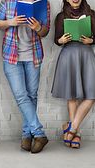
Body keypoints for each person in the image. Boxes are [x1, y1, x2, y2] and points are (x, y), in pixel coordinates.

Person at [0, 0, 50, 153]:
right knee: (21, 96)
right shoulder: (7, 2)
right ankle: (39, 133)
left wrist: (38, 27)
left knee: (31, 96)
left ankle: (27, 135)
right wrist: (10, 22)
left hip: (33, 56)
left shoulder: (43, 3)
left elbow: (45, 31)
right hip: (11, 56)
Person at [52, 0, 95, 149]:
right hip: (69, 55)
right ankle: (75, 134)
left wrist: (91, 40)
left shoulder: (91, 14)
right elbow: (56, 40)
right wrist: (61, 40)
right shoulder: (61, 16)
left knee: (91, 95)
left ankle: (71, 128)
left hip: (86, 55)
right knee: (72, 95)